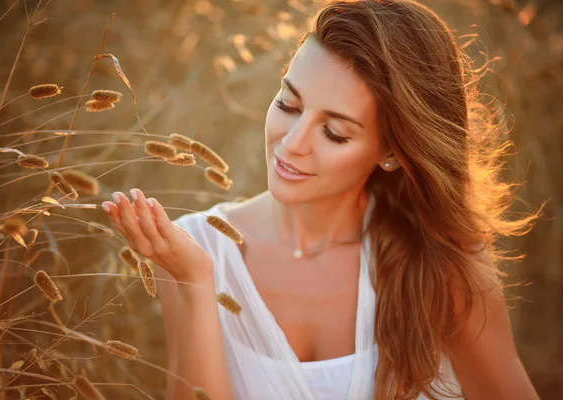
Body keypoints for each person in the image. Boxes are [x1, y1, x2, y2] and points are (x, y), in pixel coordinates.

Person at [101, 1, 541, 399]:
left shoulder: (444, 261)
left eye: (334, 132)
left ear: (392, 151)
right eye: (288, 104)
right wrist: (196, 284)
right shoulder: (195, 248)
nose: (292, 144)